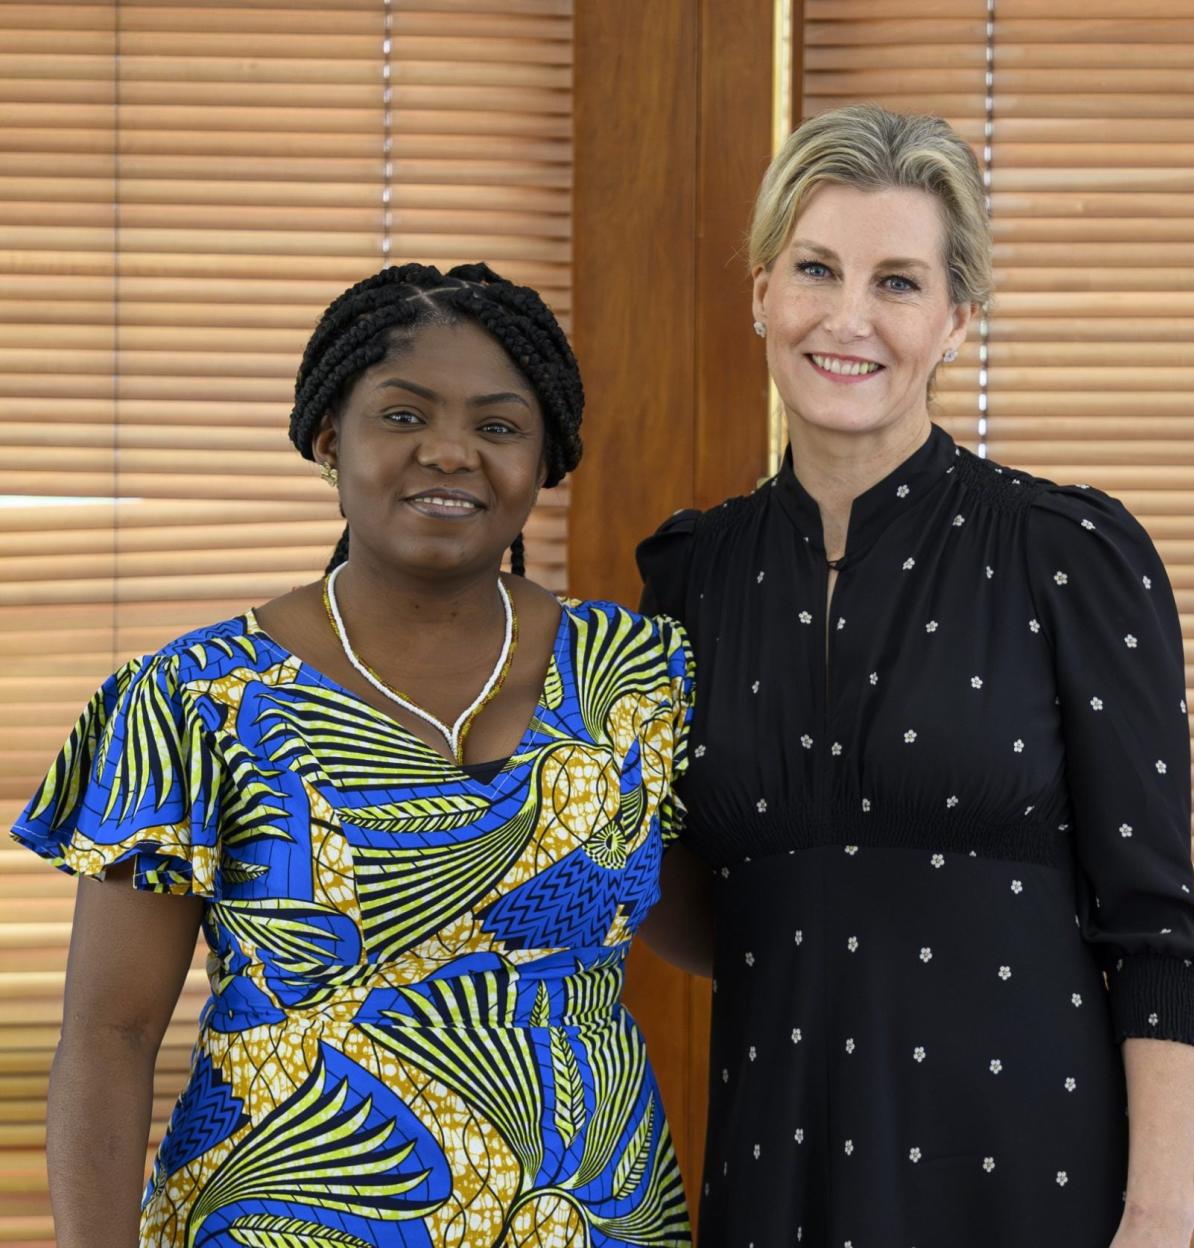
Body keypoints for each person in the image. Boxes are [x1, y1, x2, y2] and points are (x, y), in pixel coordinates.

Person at [637, 104, 1194, 1248]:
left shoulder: (1070, 554)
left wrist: (1160, 1211)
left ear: (957, 319)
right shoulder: (691, 575)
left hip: (1029, 1181)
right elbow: (691, 894)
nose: (848, 319)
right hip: (774, 1172)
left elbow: (1154, 925)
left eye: (898, 283)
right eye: (816, 269)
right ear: (761, 290)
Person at [14, 262, 694, 1247]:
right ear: (330, 438)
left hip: (590, 1221)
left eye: (500, 427)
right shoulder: (198, 698)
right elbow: (110, 1038)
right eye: (404, 416)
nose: (452, 452)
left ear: (547, 460)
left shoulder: (643, 674)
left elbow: (737, 922)